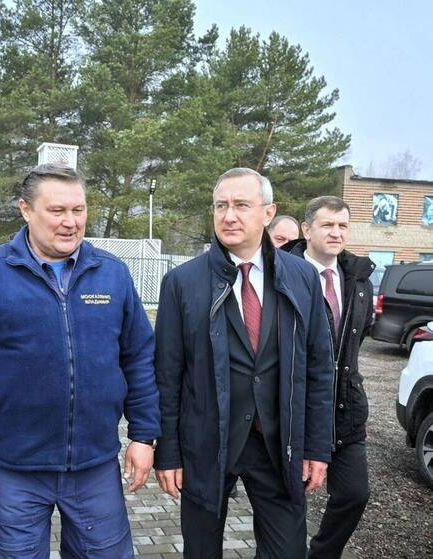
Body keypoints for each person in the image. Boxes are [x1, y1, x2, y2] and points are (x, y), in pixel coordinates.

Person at [0, 163, 161, 559]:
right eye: (57, 211)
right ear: (25, 209)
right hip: (15, 470)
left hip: (95, 466)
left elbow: (138, 359)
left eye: (78, 210)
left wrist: (143, 435)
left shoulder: (112, 274)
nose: (70, 222)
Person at [154, 167, 334, 558]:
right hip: (206, 443)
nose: (229, 215)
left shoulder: (302, 277)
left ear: (268, 213)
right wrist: (168, 453)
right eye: (220, 206)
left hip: (278, 444)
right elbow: (167, 376)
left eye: (241, 205)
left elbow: (319, 368)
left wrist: (317, 448)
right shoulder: (182, 283)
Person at [284, 196, 374, 559]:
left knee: (354, 494)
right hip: (295, 411)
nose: (336, 232)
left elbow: (356, 340)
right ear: (307, 230)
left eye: (342, 226)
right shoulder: (282, 275)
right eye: (327, 225)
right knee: (289, 503)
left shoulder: (359, 280)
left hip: (345, 411)